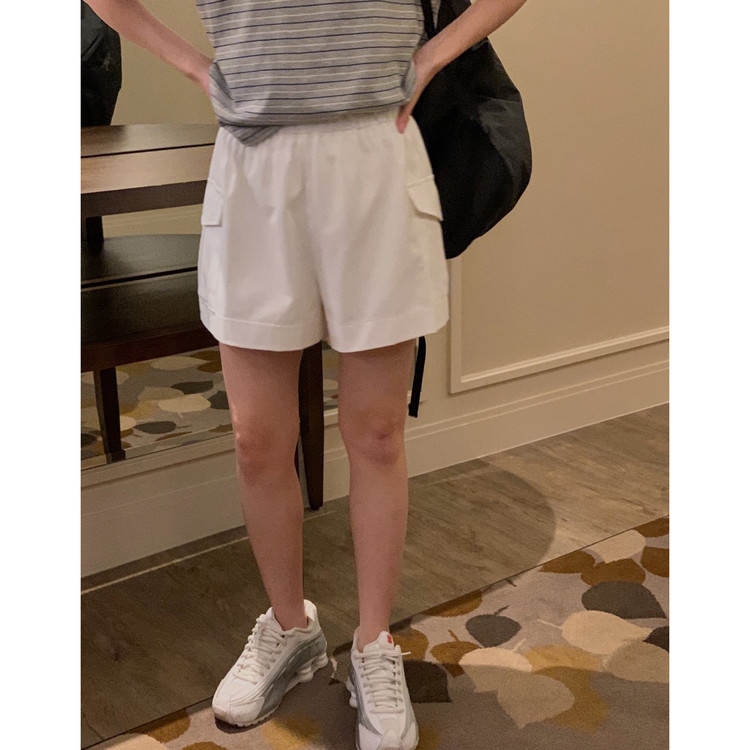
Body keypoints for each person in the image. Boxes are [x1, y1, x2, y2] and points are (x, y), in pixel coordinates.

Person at [84, 1, 528, 748]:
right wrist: (194, 66)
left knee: (377, 433)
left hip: (377, 153)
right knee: (256, 439)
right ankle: (291, 629)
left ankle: (375, 642)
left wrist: (430, 56)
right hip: (255, 161)